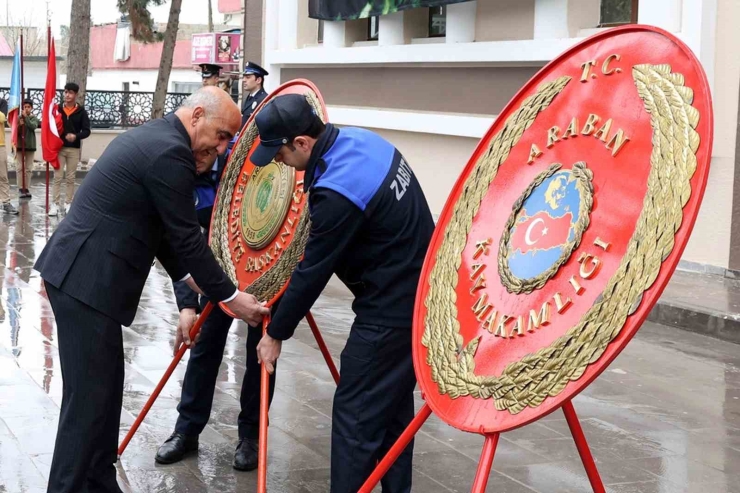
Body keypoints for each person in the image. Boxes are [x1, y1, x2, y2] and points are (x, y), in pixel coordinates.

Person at [34, 87, 270, 493]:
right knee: (88, 407)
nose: (222, 146)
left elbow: (163, 235)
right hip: (84, 281)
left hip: (85, 281)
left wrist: (195, 286)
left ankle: (98, 483)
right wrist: (231, 298)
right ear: (197, 115)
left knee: (102, 400)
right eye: (221, 134)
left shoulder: (160, 140)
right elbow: (186, 238)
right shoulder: (170, 152)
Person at [252, 94, 434, 493]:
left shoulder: (338, 190)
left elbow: (314, 270)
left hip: (389, 313)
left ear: (302, 142)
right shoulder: (363, 142)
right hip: (418, 294)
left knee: (356, 420)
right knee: (392, 419)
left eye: (279, 152)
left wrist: (275, 333)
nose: (279, 163)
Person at [154, 136, 279, 472]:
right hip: (217, 271)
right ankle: (186, 430)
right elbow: (177, 240)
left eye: (205, 153)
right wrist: (186, 304)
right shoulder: (180, 172)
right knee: (204, 345)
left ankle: (251, 435)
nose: (198, 160)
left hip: (267, 267)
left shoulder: (249, 157)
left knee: (261, 354)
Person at [50, 82, 91, 217]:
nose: (67, 95)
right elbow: (50, 124)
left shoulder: (81, 111)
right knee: (57, 176)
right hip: (60, 148)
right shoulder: (58, 109)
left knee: (70, 177)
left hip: (73, 149)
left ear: (76, 95)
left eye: (70, 92)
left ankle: (68, 203)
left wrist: (76, 136)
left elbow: (86, 131)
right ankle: (55, 204)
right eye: (65, 92)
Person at [15, 98, 37, 200]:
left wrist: (26, 118)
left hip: (30, 146)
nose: (27, 109)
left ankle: (26, 187)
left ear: (31, 108)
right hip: (20, 146)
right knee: (20, 168)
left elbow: (33, 126)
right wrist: (20, 124)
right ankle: (20, 188)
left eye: (28, 107)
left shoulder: (33, 118)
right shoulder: (19, 118)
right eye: (25, 107)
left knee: (28, 168)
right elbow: (16, 131)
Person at [240, 61, 268, 128]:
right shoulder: (250, 97)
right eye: (244, 77)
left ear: (258, 80)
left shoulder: (264, 100)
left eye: (248, 77)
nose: (244, 80)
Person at [0, 108, 18, 214]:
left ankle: (6, 203)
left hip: (0, 146)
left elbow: (2, 117)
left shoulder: (2, 102)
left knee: (3, 176)